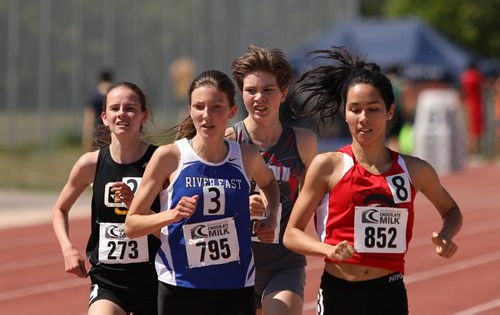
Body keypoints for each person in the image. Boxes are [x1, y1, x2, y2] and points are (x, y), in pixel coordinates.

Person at [283, 47, 463, 315]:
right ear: (345, 113)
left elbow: (452, 211)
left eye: (373, 109)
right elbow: (291, 235)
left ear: (390, 112)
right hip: (339, 292)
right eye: (355, 109)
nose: (364, 118)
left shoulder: (414, 170)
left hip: (388, 292)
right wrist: (327, 249)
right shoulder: (328, 166)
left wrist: (446, 235)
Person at [124, 70, 280, 315]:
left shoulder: (247, 156)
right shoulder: (170, 157)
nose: (206, 115)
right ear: (190, 109)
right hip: (181, 286)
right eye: (199, 107)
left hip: (236, 286)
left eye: (216, 107)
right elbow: (132, 225)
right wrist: (172, 215)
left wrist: (270, 216)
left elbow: (270, 184)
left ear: (231, 111)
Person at [53, 81, 160, 315]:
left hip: (157, 278)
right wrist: (68, 248)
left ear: (144, 115)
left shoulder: (160, 161)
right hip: (109, 280)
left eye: (130, 108)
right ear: (104, 117)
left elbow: (172, 225)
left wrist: (137, 207)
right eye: (115, 108)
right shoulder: (90, 164)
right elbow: (60, 210)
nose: (122, 113)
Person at [227, 45, 317, 315]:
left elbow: (319, 198)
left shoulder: (303, 142)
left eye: (268, 90)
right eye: (251, 90)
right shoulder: (229, 141)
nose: (259, 98)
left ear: (284, 93)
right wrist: (241, 203)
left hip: (283, 263)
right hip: (233, 264)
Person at [82, 69, 114, 151]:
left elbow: (89, 119)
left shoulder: (94, 97)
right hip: (113, 132)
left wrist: (87, 137)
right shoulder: (114, 94)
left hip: (98, 133)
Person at [461, 60, 484, 157]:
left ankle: (470, 152)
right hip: (475, 104)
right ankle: (475, 152)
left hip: (467, 104)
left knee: (469, 129)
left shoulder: (465, 76)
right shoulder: (476, 76)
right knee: (475, 130)